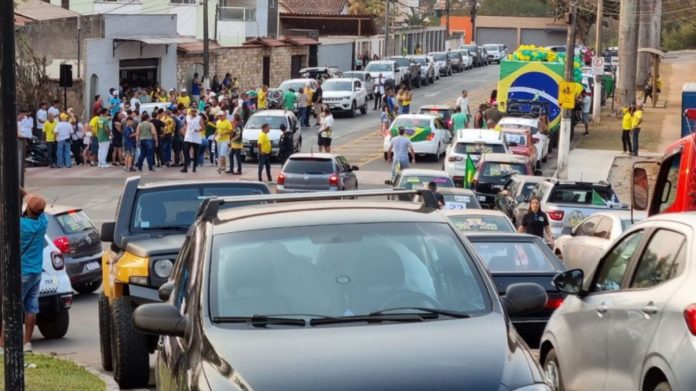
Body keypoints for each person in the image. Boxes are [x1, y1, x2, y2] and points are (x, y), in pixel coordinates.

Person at [0, 190, 48, 353]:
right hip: (36, 273)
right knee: (31, 307)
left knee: (10, 307)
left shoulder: (21, 225)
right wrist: (26, 194)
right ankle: (27, 343)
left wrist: (17, 188)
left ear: (28, 209)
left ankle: (2, 343)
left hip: (22, 273)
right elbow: (35, 204)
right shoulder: (43, 222)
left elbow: (3, 218)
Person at [181, 108, 203, 173]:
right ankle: (185, 167)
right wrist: (185, 130)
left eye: (194, 111)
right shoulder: (187, 117)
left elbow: (203, 127)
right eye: (192, 111)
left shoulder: (199, 118)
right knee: (186, 151)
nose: (193, 112)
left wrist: (197, 130)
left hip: (195, 137)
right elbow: (185, 124)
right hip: (188, 136)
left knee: (196, 153)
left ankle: (194, 167)